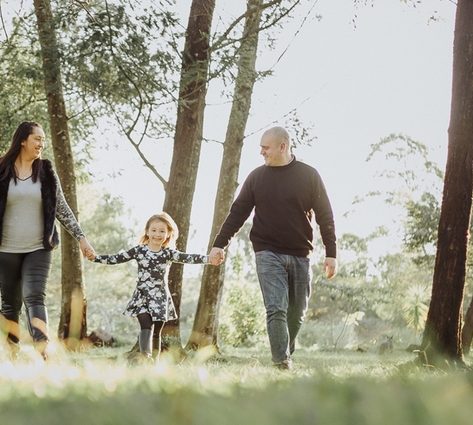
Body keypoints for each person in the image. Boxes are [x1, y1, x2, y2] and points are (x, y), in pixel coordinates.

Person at [208, 127, 337, 370]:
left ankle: (285, 351)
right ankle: (281, 362)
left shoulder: (309, 175)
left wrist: (331, 253)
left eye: (265, 147)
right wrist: (219, 244)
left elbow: (325, 215)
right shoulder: (256, 177)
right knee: (276, 308)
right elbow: (237, 214)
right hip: (267, 252)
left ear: (282, 146)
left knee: (297, 313)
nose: (261, 152)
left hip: (301, 254)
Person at [0, 121, 95, 350]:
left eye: (43, 140)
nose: (41, 144)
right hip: (5, 249)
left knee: (34, 295)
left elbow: (62, 208)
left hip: (38, 248)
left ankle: (42, 349)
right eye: (37, 139)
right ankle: (11, 352)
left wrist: (81, 238)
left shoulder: (47, 172)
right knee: (10, 304)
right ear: (23, 141)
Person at [89, 212, 220, 360]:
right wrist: (95, 258)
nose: (157, 234)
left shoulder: (167, 253)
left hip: (160, 298)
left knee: (157, 332)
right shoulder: (139, 250)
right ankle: (145, 357)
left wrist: (209, 259)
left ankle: (155, 362)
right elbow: (117, 258)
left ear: (168, 234)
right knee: (146, 325)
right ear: (147, 231)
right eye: (154, 230)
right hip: (142, 297)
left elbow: (188, 258)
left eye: (162, 231)